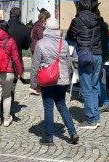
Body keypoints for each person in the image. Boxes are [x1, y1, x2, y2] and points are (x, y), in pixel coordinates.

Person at [30, 17, 79, 146]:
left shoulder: (41, 43)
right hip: (62, 79)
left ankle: (49, 137)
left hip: (47, 79)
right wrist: (67, 79)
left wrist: (34, 83)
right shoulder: (63, 43)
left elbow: (35, 65)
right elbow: (68, 63)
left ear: (46, 28)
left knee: (48, 107)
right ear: (57, 28)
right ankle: (72, 132)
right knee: (62, 105)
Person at [66, 0, 102, 129]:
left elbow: (69, 36)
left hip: (86, 55)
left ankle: (91, 119)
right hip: (98, 54)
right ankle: (96, 117)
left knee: (86, 88)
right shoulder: (97, 19)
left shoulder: (77, 20)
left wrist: (76, 38)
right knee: (94, 86)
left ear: (79, 7)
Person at [94, 7, 109, 112]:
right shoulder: (104, 25)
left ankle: (105, 102)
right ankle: (101, 100)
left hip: (99, 55)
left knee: (96, 79)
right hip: (103, 55)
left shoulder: (99, 26)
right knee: (98, 78)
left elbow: (99, 42)